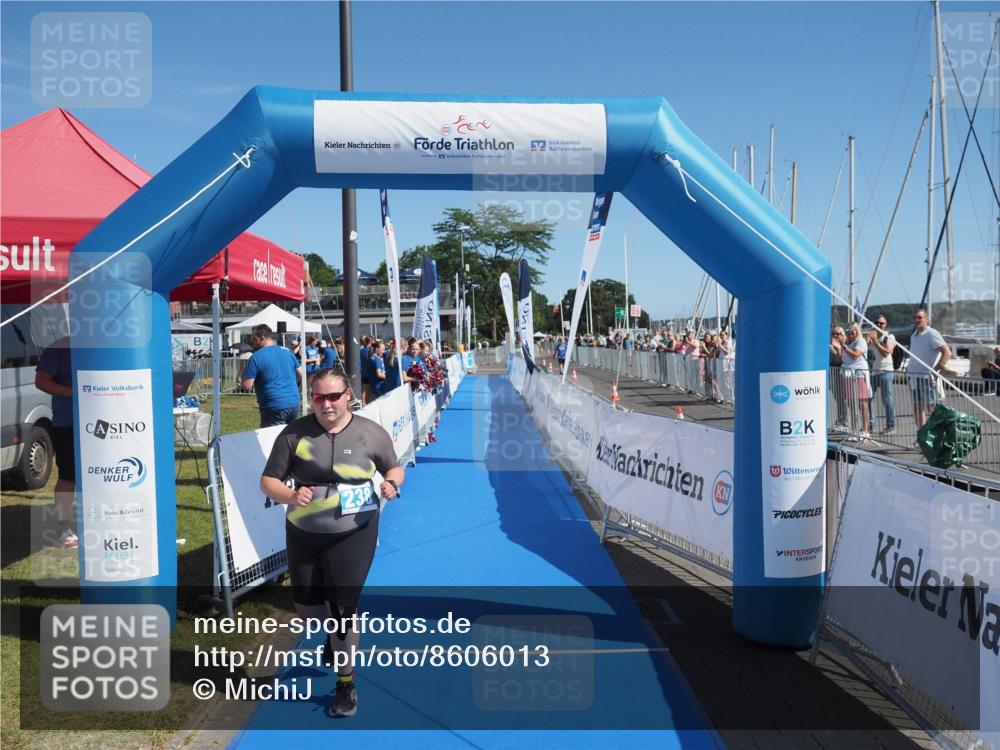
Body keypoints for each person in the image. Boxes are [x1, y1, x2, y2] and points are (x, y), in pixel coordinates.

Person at [259, 369, 403, 718]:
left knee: (342, 611)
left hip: (354, 531)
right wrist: (291, 494)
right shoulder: (294, 434)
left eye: (333, 396)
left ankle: (345, 684)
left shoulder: (371, 432)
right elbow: (267, 481)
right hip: (304, 532)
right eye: (318, 397)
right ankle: (336, 637)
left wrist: (392, 485)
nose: (326, 404)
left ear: (348, 394)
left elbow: (394, 467)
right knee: (309, 612)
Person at [35, 337, 77, 548]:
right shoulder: (60, 347)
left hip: (107, 421)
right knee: (68, 476)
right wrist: (77, 393)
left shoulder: (109, 344)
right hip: (68, 422)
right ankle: (64, 528)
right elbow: (41, 380)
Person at [241, 324, 304, 427]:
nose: (251, 341)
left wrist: (244, 369)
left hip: (274, 405)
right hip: (293, 402)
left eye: (253, 338)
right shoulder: (287, 351)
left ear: (262, 338)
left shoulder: (256, 357)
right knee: (289, 438)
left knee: (271, 440)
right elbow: (301, 373)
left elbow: (247, 386)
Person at [906, 308, 950, 430]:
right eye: (915, 317)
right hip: (914, 377)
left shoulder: (932, 333)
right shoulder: (914, 335)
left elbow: (946, 352)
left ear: (927, 319)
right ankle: (922, 435)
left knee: (932, 407)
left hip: (927, 377)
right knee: (917, 406)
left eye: (920, 317)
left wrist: (936, 370)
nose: (917, 320)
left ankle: (938, 434)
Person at [866, 317, 897, 434]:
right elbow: (863, 350)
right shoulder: (873, 336)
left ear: (886, 324)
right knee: (868, 398)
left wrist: (875, 341)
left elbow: (886, 352)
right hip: (874, 371)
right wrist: (867, 340)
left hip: (886, 371)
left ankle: (891, 426)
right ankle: (871, 424)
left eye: (882, 323)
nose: (879, 324)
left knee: (887, 400)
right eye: (877, 322)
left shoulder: (889, 337)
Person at [841, 323, 871, 440]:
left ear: (857, 331)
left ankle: (865, 430)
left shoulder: (861, 341)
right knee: (851, 403)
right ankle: (854, 429)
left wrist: (844, 347)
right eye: (848, 331)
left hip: (859, 374)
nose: (850, 333)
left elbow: (856, 355)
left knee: (862, 402)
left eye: (852, 331)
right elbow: (842, 358)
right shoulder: (848, 342)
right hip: (848, 374)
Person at [829, 327, 848, 429]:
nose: (835, 335)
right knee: (838, 398)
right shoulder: (831, 345)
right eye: (833, 333)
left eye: (838, 333)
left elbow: (838, 360)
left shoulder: (845, 344)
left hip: (842, 372)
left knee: (843, 398)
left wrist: (837, 349)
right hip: (834, 372)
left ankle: (844, 421)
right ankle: (840, 419)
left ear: (843, 335)